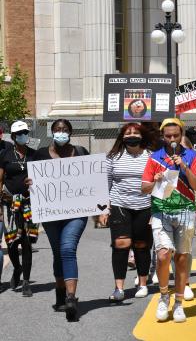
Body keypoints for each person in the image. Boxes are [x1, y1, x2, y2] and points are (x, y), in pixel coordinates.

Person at [142, 118, 196, 322]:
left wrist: (185, 168)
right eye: (168, 136)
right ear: (162, 136)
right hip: (160, 211)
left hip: (186, 211)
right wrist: (154, 181)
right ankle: (163, 296)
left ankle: (178, 303)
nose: (172, 139)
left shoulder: (192, 156)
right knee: (162, 255)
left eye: (175, 135)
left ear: (181, 134)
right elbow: (144, 188)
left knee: (182, 258)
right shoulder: (154, 158)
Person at [32, 119, 89, 320]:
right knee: (58, 252)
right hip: (50, 213)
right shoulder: (39, 155)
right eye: (57, 129)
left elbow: (92, 181)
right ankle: (60, 292)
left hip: (76, 212)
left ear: (71, 132)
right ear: (52, 132)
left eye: (65, 130)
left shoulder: (81, 152)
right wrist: (29, 181)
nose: (61, 132)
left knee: (67, 248)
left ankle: (71, 298)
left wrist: (101, 208)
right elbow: (29, 184)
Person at [102, 123, 153, 302]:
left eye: (136, 133)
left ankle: (143, 283)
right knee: (121, 245)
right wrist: (103, 210)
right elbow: (105, 183)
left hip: (145, 206)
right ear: (122, 137)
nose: (132, 135)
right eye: (128, 133)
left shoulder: (151, 156)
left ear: (142, 136)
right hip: (119, 205)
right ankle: (119, 288)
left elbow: (158, 184)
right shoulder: (113, 157)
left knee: (142, 245)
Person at [0, 121, 37, 297]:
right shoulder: (5, 155)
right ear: (14, 137)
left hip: (29, 204)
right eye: (20, 133)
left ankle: (26, 282)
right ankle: (17, 268)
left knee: (27, 242)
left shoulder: (35, 155)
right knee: (12, 241)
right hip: (10, 205)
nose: (24, 135)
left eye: (26, 132)